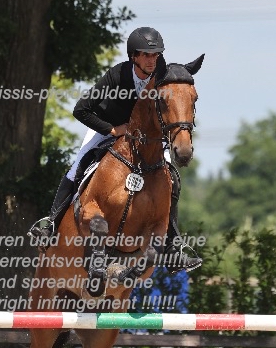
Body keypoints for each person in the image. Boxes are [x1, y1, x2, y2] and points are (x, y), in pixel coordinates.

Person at [27, 26, 202, 271]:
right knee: (79, 165)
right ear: (134, 56)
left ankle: (173, 246)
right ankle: (51, 223)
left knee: (172, 178)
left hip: (145, 140)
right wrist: (111, 129)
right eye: (147, 55)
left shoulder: (161, 78)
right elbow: (81, 109)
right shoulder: (117, 75)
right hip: (105, 128)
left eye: (156, 55)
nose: (153, 60)